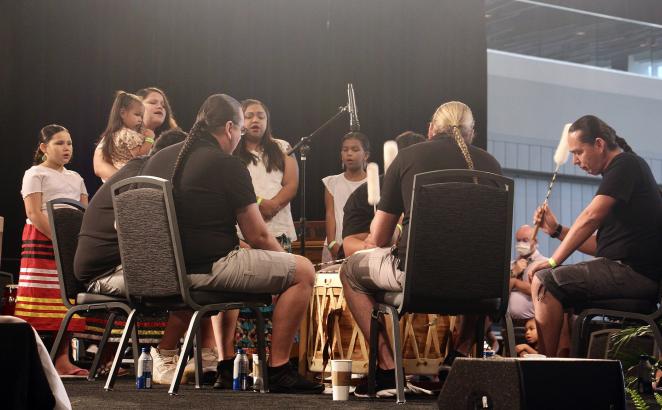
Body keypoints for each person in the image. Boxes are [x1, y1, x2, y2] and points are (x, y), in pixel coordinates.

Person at [138, 93, 323, 394]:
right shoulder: (226, 164)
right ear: (229, 128)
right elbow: (258, 236)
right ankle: (278, 369)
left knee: (240, 263)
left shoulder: (159, 158)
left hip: (159, 274)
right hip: (206, 269)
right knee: (302, 272)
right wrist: (284, 267)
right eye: (239, 129)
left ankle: (226, 365)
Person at [339, 101, 502, 397]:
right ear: (471, 134)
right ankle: (458, 359)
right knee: (478, 266)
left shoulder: (408, 158)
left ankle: (388, 371)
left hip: (420, 279)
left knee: (350, 272)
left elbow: (378, 238)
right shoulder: (491, 165)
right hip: (483, 286)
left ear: (431, 129)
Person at [76, 129, 220, 384]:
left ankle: (207, 356)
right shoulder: (142, 176)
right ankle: (164, 354)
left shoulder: (147, 171)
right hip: (103, 273)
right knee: (191, 280)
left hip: (123, 264)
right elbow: (141, 234)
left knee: (203, 272)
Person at [528, 115, 662, 357]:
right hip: (624, 271)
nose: (575, 161)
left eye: (578, 152)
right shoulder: (621, 175)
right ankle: (561, 362)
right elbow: (600, 245)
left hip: (634, 275)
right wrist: (557, 230)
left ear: (599, 144)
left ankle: (543, 369)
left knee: (544, 281)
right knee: (552, 283)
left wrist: (552, 261)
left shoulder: (626, 164)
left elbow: (590, 217)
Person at [15, 124, 89, 377]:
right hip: (42, 239)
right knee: (40, 299)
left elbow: (83, 213)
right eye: (59, 143)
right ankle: (32, 360)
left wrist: (74, 243)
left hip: (69, 244)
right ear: (44, 147)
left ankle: (62, 359)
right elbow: (33, 212)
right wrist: (58, 239)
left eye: (69, 143)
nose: (66, 148)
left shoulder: (76, 178)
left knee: (64, 298)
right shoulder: (35, 173)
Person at [341, 131, 425, 257]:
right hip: (369, 261)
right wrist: (373, 243)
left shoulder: (430, 189)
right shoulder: (362, 194)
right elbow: (349, 245)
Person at [234, 99, 298, 250]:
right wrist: (259, 203)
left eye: (261, 116)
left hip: (279, 229)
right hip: (244, 233)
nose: (255, 120)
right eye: (249, 116)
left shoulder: (283, 146)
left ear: (267, 121)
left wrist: (274, 205)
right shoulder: (232, 150)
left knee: (284, 272)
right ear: (240, 121)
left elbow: (292, 184)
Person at [93, 87, 179, 181]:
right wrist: (134, 183)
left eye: (163, 105)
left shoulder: (174, 139)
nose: (160, 107)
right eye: (153, 102)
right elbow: (99, 166)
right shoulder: (120, 134)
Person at [322, 132, 370, 262]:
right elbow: (330, 214)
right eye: (345, 150)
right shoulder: (332, 182)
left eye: (355, 149)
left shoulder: (374, 183)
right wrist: (332, 244)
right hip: (335, 244)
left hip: (363, 246)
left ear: (366, 155)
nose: (349, 153)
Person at [96, 91, 155, 174]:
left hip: (125, 175)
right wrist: (149, 139)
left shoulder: (115, 134)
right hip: (131, 174)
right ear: (122, 113)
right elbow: (140, 156)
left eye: (142, 116)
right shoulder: (127, 134)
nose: (140, 120)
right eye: (137, 115)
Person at [508, 224, 547, 321]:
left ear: (535, 241)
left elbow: (540, 291)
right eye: (518, 240)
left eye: (525, 240)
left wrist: (515, 283)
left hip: (534, 323)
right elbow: (499, 290)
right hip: (507, 323)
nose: (521, 244)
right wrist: (514, 272)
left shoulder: (544, 263)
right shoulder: (511, 265)